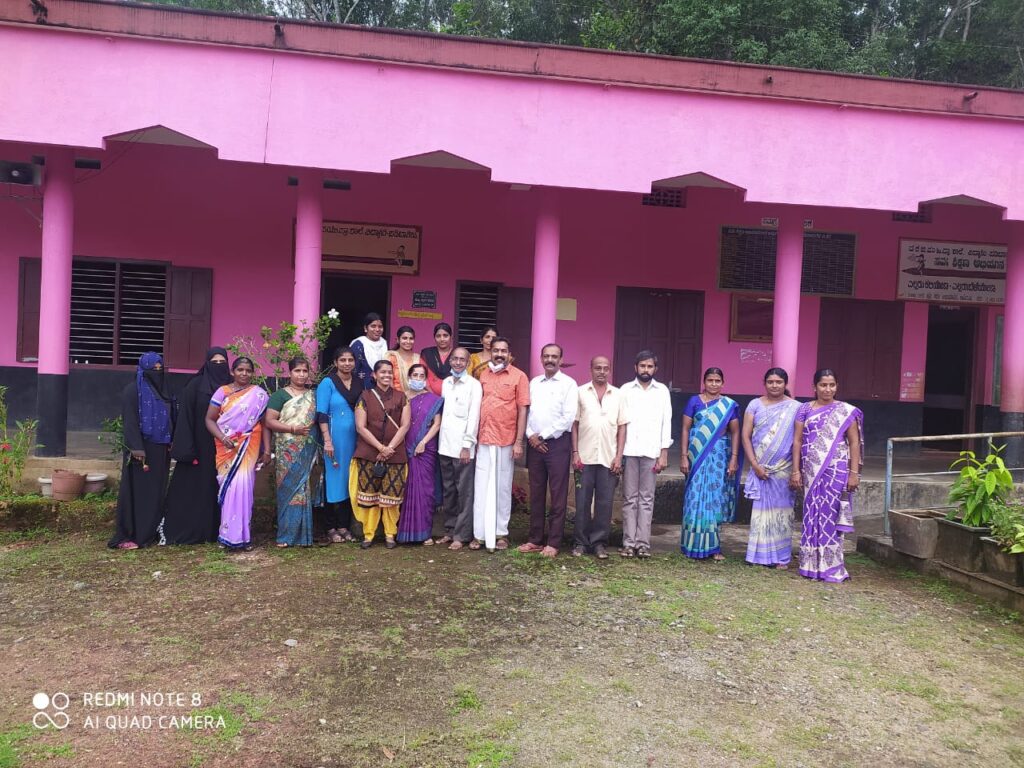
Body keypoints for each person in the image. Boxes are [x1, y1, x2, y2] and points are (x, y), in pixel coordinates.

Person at [791, 369, 863, 583]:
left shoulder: (845, 411)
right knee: (812, 514)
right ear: (814, 387)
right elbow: (797, 441)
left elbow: (854, 443)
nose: (827, 389)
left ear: (837, 386)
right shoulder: (804, 409)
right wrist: (795, 470)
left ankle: (831, 565)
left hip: (836, 471)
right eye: (823, 385)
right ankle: (810, 565)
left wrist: (854, 473)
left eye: (832, 385)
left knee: (830, 514)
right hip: (811, 470)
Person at [162, 347, 232, 545]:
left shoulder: (232, 386)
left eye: (222, 363)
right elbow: (186, 418)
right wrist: (187, 448)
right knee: (198, 486)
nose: (218, 366)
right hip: (200, 447)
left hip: (227, 447)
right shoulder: (195, 386)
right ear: (207, 363)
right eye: (214, 362)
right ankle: (195, 530)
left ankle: (220, 530)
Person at [109, 352, 174, 550]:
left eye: (160, 368)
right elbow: (130, 421)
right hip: (141, 450)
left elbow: (171, 416)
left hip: (161, 448)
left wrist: (171, 439)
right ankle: (131, 534)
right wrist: (137, 447)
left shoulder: (164, 390)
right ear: (143, 369)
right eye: (153, 369)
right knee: (138, 492)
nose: (157, 372)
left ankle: (148, 532)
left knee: (156, 491)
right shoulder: (132, 391)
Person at [518, 343, 578, 558]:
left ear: (561, 360)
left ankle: (553, 542)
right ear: (541, 358)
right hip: (534, 444)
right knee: (536, 492)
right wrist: (531, 436)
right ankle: (535, 539)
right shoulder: (534, 383)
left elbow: (568, 417)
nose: (550, 360)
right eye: (546, 356)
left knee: (558, 493)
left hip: (557, 444)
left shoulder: (569, 384)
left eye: (554, 356)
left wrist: (542, 436)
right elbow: (526, 413)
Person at [205, 357, 271, 551]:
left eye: (248, 370)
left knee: (244, 490)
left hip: (249, 446)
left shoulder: (259, 394)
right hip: (226, 448)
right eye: (240, 370)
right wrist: (222, 437)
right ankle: (226, 536)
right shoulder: (222, 392)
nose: (244, 373)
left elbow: (265, 424)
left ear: (253, 373)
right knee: (230, 490)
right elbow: (209, 419)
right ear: (232, 371)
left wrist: (267, 450)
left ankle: (244, 537)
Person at [473, 337, 529, 552]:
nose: (499, 354)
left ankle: (500, 533)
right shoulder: (483, 374)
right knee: (481, 487)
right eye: (496, 350)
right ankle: (479, 534)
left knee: (502, 488)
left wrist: (518, 442)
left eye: (503, 351)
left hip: (506, 440)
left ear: (509, 354)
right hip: (484, 439)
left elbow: (522, 410)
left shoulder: (519, 376)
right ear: (491, 352)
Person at [741, 368, 801, 569]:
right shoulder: (754, 405)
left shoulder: (796, 408)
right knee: (761, 513)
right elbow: (745, 436)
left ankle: (781, 557)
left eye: (778, 382)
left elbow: (798, 440)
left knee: (782, 513)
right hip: (760, 469)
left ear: (785, 384)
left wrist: (796, 471)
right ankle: (758, 555)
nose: (774, 385)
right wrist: (754, 465)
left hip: (784, 469)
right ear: (764, 383)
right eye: (770, 382)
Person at [679, 367, 741, 561]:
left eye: (717, 381)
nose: (713, 384)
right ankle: (691, 544)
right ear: (704, 382)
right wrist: (683, 456)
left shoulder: (728, 405)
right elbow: (685, 429)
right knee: (694, 497)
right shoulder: (694, 401)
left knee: (714, 498)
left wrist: (734, 458)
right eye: (710, 380)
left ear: (723, 383)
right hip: (696, 455)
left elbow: (735, 432)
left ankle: (713, 547)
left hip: (718, 457)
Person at [571, 355, 628, 559]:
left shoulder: (618, 394)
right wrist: (575, 453)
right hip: (584, 458)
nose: (601, 371)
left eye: (605, 368)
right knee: (582, 503)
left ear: (609, 370)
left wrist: (619, 457)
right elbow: (574, 424)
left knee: (605, 503)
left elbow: (622, 427)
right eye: (598, 368)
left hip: (608, 458)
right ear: (591, 369)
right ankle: (580, 543)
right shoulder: (580, 392)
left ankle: (599, 544)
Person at [351, 359, 411, 549]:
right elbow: (360, 427)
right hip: (369, 452)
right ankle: (368, 534)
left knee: (392, 496)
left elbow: (405, 425)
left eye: (389, 372)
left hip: (395, 453)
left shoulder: (401, 397)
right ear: (374, 375)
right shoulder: (365, 396)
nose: (386, 375)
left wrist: (389, 448)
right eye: (382, 372)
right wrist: (380, 448)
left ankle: (390, 534)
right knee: (369, 496)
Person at [619, 351, 673, 559]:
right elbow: (620, 422)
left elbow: (666, 422)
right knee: (629, 498)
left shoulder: (662, 391)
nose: (645, 370)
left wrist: (663, 453)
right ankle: (628, 543)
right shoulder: (625, 390)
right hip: (630, 451)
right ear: (635, 367)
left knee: (646, 499)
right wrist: (618, 453)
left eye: (649, 366)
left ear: (655, 369)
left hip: (651, 452)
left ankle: (643, 544)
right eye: (642, 366)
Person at [265, 357, 320, 548]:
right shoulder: (280, 396)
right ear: (290, 373)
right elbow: (269, 421)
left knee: (303, 488)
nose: (301, 375)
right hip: (287, 451)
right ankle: (285, 536)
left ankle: (303, 536)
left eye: (305, 371)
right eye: (297, 371)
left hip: (307, 449)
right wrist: (292, 429)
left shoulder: (313, 396)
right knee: (287, 489)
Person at [316, 346, 362, 543]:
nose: (347, 363)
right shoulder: (328, 383)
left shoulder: (359, 383)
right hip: (333, 440)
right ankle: (330, 527)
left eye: (350, 360)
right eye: (342, 360)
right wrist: (327, 440)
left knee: (349, 480)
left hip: (355, 440)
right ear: (335, 363)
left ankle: (344, 526)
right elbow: (321, 414)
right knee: (332, 480)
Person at [438, 347, 482, 550]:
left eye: (461, 360)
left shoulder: (474, 385)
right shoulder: (446, 383)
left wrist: (467, 445)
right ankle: (449, 530)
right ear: (450, 361)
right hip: (444, 446)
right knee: (449, 490)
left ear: (467, 362)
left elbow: (474, 417)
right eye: (454, 359)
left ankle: (462, 535)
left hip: (463, 448)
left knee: (464, 492)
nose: (457, 362)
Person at [396, 364, 444, 544]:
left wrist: (423, 442)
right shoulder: (401, 397)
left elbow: (437, 424)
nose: (417, 378)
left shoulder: (433, 399)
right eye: (414, 375)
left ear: (425, 379)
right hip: (405, 447)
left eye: (421, 375)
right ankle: (405, 532)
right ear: (409, 377)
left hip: (425, 448)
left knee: (425, 490)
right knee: (406, 488)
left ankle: (425, 533)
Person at [350, 312, 388, 385]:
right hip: (361, 387)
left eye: (380, 326)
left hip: (383, 387)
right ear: (365, 328)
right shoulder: (358, 345)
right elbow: (352, 370)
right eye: (373, 326)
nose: (377, 329)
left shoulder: (385, 344)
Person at [386, 325, 423, 397]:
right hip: (394, 397)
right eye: (404, 338)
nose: (408, 341)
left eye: (411, 338)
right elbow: (387, 380)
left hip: (415, 397)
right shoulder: (391, 357)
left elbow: (423, 379)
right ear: (398, 340)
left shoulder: (418, 358)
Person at [421, 322, 454, 396]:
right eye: (438, 336)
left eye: (445, 336)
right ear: (434, 337)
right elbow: (423, 375)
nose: (442, 339)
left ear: (451, 337)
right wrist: (433, 397)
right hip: (430, 396)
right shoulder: (427, 353)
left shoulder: (457, 354)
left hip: (453, 397)